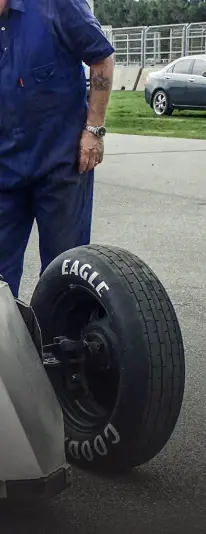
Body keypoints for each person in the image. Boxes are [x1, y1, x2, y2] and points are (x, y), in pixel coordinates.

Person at [0, 0, 114, 297]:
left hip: (61, 164)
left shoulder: (56, 5)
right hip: (5, 169)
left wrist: (94, 130)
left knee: (64, 271)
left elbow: (102, 58)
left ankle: (63, 339)